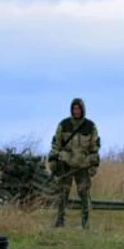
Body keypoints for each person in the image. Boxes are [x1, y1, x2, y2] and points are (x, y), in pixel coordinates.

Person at [48, 98, 100, 229]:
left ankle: (85, 222)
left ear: (82, 110)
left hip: (82, 165)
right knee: (63, 193)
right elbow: (56, 144)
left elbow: (94, 147)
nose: (76, 111)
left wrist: (93, 164)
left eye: (78, 109)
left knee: (84, 193)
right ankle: (60, 221)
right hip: (65, 164)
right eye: (74, 109)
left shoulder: (90, 126)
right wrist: (53, 160)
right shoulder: (64, 124)